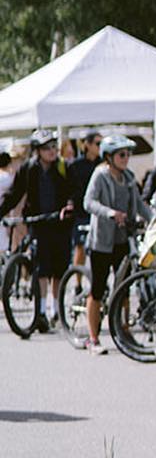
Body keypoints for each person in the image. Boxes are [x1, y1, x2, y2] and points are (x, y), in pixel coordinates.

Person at [83, 135, 147, 353]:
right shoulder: (100, 175)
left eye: (128, 154)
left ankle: (123, 330)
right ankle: (93, 338)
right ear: (109, 157)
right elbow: (88, 202)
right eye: (122, 154)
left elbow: (139, 205)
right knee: (98, 289)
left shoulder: (128, 177)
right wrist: (110, 213)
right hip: (102, 241)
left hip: (122, 240)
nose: (126, 158)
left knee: (125, 288)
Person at [6, 130, 75, 331]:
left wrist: (69, 206)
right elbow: (16, 193)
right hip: (39, 223)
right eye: (46, 148)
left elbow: (73, 190)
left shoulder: (63, 167)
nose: (52, 151)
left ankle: (56, 309)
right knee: (42, 267)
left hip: (60, 222)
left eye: (54, 146)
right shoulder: (29, 169)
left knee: (59, 268)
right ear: (37, 151)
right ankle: (42, 311)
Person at [67, 130, 102, 276]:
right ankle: (78, 282)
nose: (100, 146)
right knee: (80, 247)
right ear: (87, 144)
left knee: (98, 249)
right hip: (81, 212)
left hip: (98, 212)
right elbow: (69, 188)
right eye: (97, 143)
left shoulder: (103, 164)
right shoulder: (76, 165)